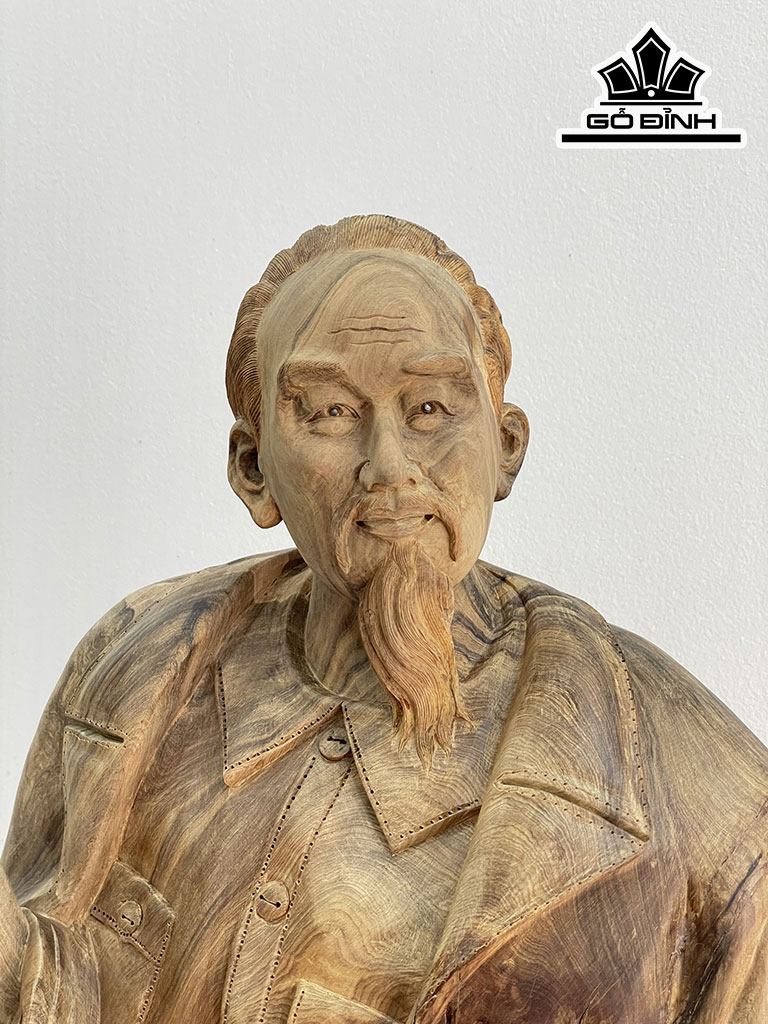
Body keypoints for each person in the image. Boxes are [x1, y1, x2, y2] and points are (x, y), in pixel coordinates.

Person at [1, 214, 766, 1024]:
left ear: (506, 446)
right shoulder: (136, 666)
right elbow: (48, 978)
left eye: (431, 407)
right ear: (254, 469)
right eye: (330, 412)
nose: (391, 466)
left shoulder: (694, 785)